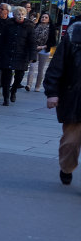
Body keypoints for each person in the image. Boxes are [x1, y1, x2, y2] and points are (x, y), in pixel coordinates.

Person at [44, 19, 81, 185]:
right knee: (71, 142)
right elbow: (57, 64)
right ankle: (67, 167)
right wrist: (52, 92)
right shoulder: (75, 32)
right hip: (75, 98)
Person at [32, 12, 57, 92]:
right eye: (43, 17)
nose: (44, 18)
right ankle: (28, 85)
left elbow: (53, 42)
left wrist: (43, 46)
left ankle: (37, 86)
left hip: (44, 50)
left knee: (40, 69)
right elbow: (31, 37)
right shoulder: (36, 26)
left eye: (46, 17)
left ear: (49, 19)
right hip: (34, 49)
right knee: (32, 67)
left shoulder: (51, 29)